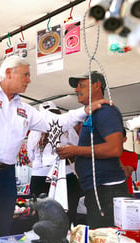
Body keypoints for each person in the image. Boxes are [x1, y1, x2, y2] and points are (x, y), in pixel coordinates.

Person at [0, 56, 111, 243]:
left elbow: (56, 122)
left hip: (5, 175)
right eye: (25, 74)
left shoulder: (24, 109)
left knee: (0, 233)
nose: (29, 80)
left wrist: (84, 111)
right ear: (8, 73)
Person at [56, 71, 131, 229]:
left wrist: (76, 151)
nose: (77, 90)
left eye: (81, 85)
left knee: (106, 242)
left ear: (97, 85)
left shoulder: (105, 111)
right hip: (99, 189)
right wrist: (72, 154)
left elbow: (115, 148)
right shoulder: (91, 114)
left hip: (107, 191)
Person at [27, 101, 82, 225]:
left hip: (40, 177)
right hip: (65, 175)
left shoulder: (34, 131)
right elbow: (77, 148)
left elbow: (30, 156)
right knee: (67, 216)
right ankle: (66, 241)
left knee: (41, 218)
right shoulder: (67, 128)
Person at [120, 129, 138, 195]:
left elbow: (126, 174)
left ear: (124, 139)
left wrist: (115, 155)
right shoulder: (103, 155)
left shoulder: (131, 155)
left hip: (126, 194)